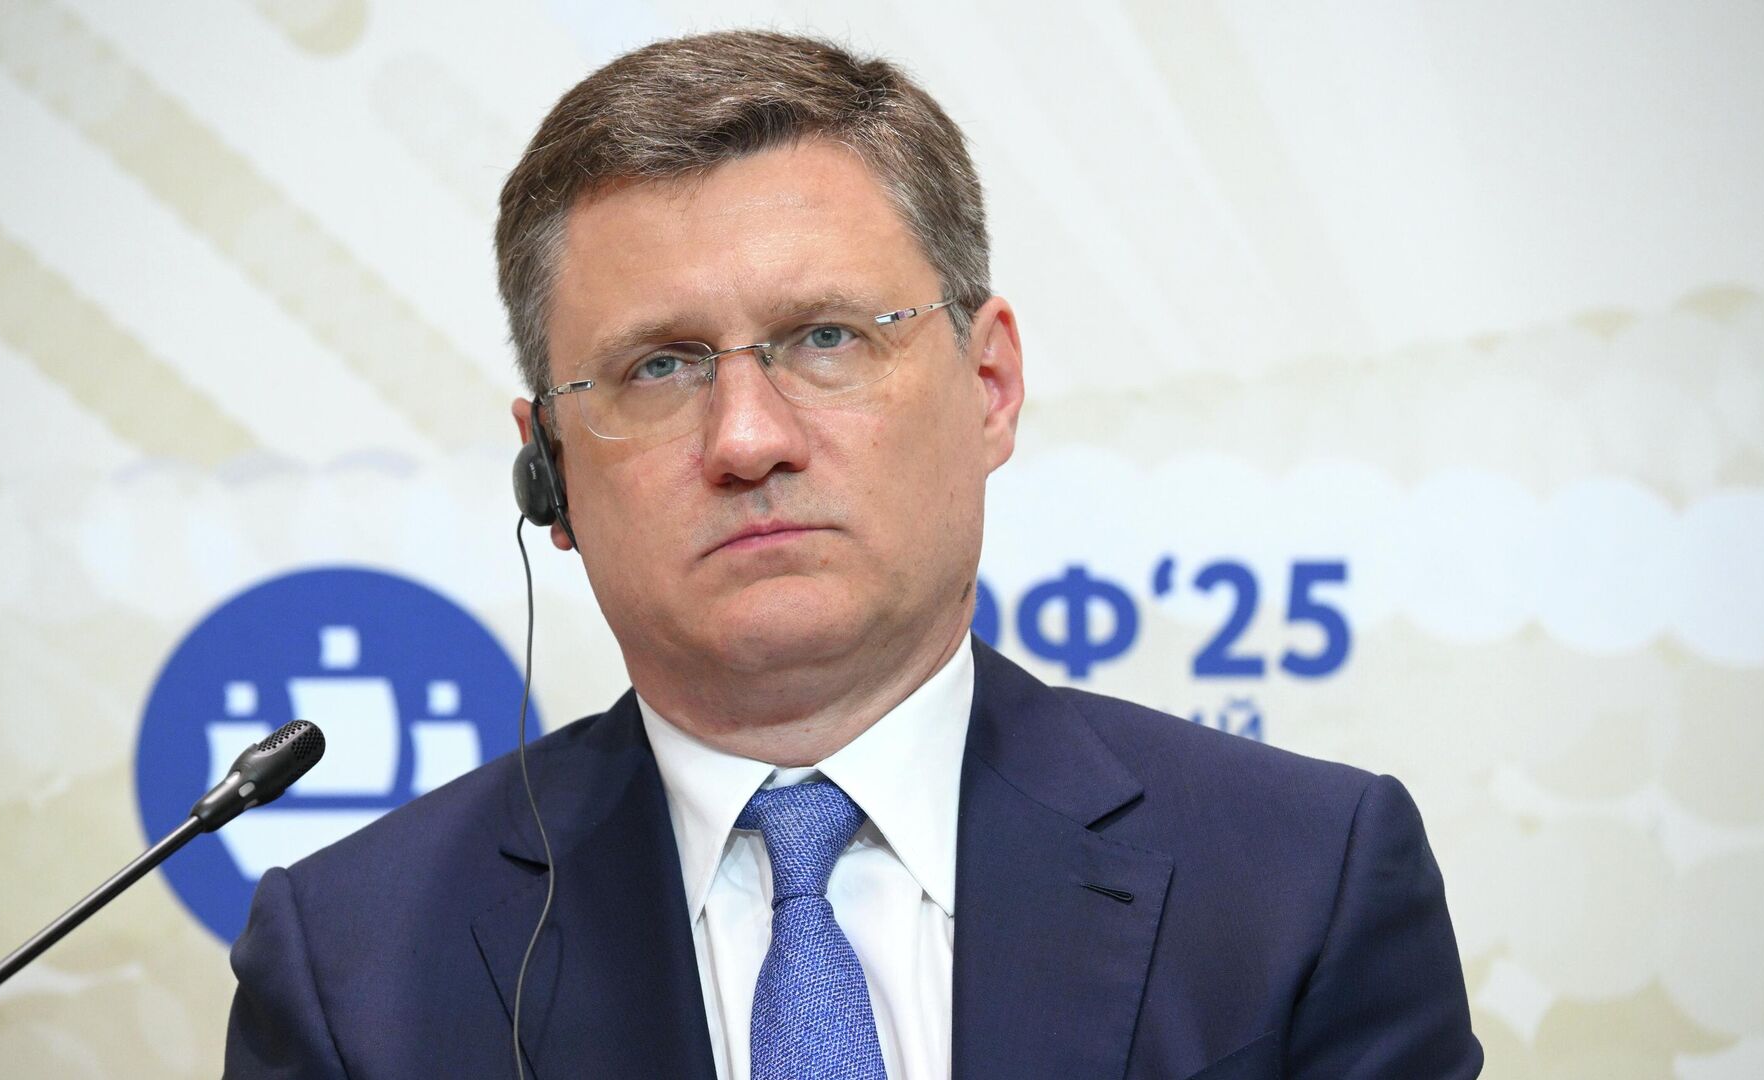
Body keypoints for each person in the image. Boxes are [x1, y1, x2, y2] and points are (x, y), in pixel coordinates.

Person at [224, 29, 1483, 1080]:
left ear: (988, 386)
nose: (748, 439)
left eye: (826, 337)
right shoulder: (353, 968)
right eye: (658, 367)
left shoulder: (1301, 882)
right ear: (549, 466)